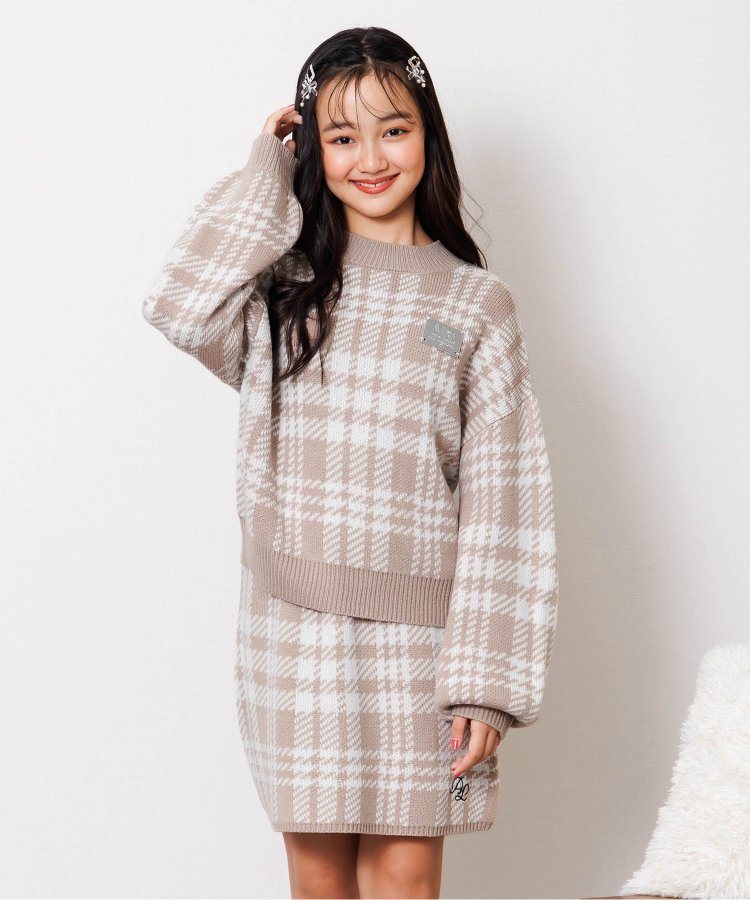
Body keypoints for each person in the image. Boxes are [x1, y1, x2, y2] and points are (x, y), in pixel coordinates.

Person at [142, 25, 559, 900]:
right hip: (293, 635)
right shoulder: (282, 291)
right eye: (340, 137)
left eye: (393, 129)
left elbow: (506, 507)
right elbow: (180, 305)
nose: (370, 158)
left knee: (404, 882)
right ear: (314, 152)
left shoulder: (476, 305)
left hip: (424, 651)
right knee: (319, 883)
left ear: (428, 134)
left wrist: (485, 685)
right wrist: (265, 172)